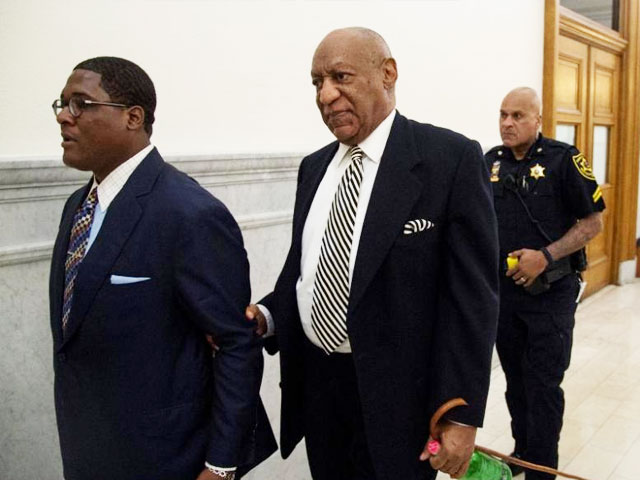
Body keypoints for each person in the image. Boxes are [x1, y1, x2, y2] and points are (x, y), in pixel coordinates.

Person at [246, 28, 499, 480]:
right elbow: (305, 272)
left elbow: (471, 301)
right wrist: (266, 315)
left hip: (401, 402)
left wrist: (461, 415)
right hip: (320, 392)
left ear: (387, 74)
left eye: (340, 76)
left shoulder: (449, 159)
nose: (326, 95)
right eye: (316, 82)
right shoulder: (315, 168)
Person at [49, 56, 275, 480]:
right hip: (88, 451)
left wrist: (221, 466)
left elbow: (235, 344)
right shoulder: (76, 207)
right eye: (61, 104)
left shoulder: (189, 213)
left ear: (133, 117)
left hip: (167, 459)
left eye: (81, 104)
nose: (64, 117)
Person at [485, 87, 605, 479]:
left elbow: (592, 223)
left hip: (551, 294)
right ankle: (522, 453)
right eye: (503, 114)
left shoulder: (564, 160)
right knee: (515, 383)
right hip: (506, 295)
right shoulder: (491, 163)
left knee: (543, 386)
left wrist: (547, 256)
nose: (507, 123)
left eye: (518, 115)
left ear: (538, 119)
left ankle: (542, 470)